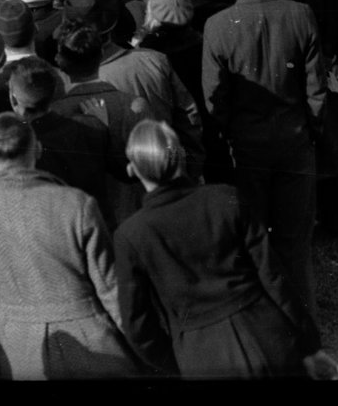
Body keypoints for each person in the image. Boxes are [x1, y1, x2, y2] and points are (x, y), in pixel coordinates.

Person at [111, 119, 313, 379]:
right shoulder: (225, 199)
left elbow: (138, 326)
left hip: (201, 356)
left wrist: (178, 362)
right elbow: (273, 276)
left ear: (134, 170)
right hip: (268, 337)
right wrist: (308, 342)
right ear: (181, 157)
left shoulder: (131, 235)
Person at [0, 113, 139, 379]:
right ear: (37, 149)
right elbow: (112, 291)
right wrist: (144, 350)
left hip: (18, 351)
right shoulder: (78, 204)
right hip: (93, 342)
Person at [201, 0, 326, 327]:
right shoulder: (300, 15)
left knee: (254, 240)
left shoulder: (219, 26)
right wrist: (309, 132)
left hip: (246, 148)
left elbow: (214, 100)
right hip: (294, 142)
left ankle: (266, 323)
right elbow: (316, 90)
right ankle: (303, 322)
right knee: (295, 243)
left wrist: (226, 135)